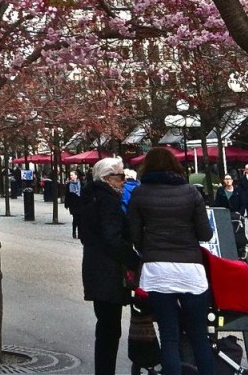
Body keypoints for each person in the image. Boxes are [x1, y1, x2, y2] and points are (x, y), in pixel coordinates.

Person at [128, 146, 215, 375]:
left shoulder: (140, 193)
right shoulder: (191, 192)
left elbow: (134, 236)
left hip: (157, 271)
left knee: (169, 336)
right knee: (199, 336)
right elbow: (206, 234)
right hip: (190, 270)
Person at [80, 157, 136, 375]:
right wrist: (133, 259)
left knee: (104, 325)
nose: (123, 181)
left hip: (94, 267)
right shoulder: (109, 201)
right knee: (110, 329)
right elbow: (112, 238)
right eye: (120, 176)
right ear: (107, 178)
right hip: (108, 271)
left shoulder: (89, 196)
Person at [63, 171, 82, 239]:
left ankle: (80, 233)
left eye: (72, 175)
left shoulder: (81, 183)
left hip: (80, 204)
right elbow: (67, 195)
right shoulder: (69, 184)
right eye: (70, 175)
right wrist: (66, 204)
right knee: (75, 218)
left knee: (80, 219)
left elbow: (84, 194)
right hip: (73, 204)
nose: (71, 176)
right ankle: (74, 231)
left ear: (76, 176)